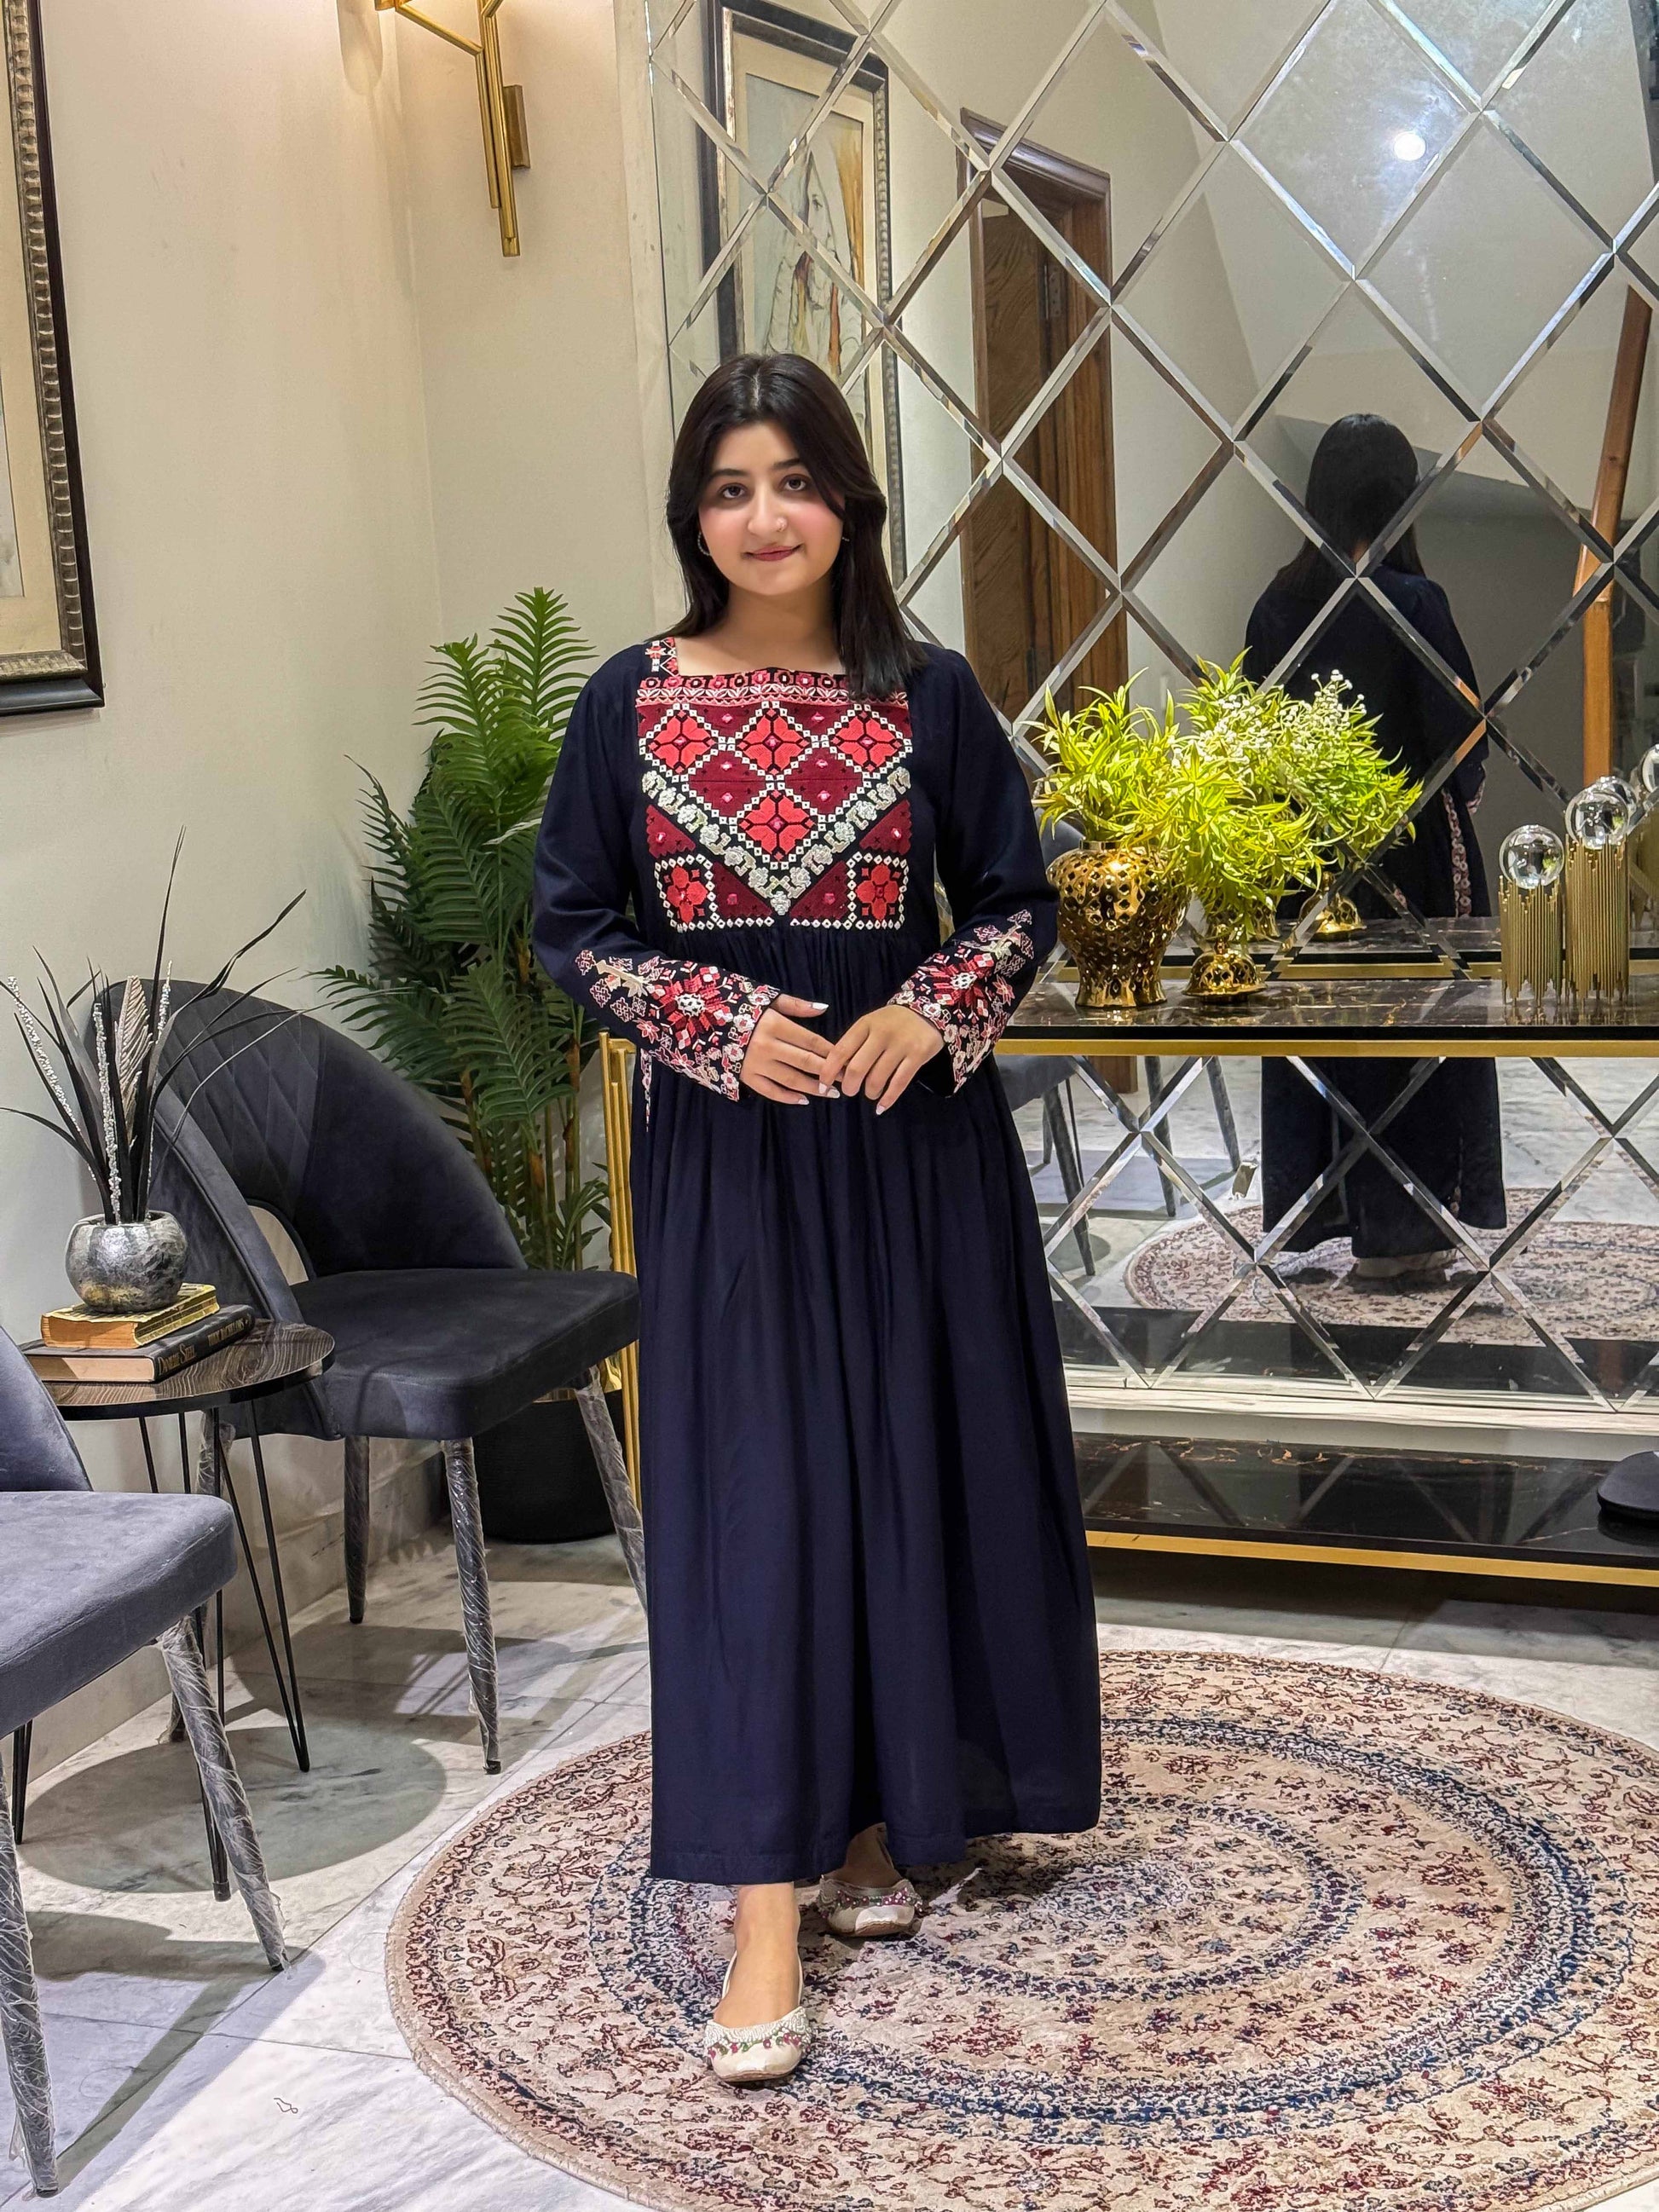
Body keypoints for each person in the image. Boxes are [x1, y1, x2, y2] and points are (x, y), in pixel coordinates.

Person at [531, 353, 1101, 2085]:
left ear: (848, 503)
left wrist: (933, 1004)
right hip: (733, 1157)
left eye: (792, 482)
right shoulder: (629, 702)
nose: (762, 517)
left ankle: (879, 1819)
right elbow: (572, 927)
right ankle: (762, 1909)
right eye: (728, 487)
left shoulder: (925, 693)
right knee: (758, 1501)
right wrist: (711, 1019)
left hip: (909, 1144)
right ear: (692, 515)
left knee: (903, 1468)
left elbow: (1015, 901)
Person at [1246, 413, 1504, 1279]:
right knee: (1413, 1037)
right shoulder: (1415, 602)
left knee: (1323, 1031)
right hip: (1414, 863)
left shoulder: (1276, 605)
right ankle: (1405, 1237)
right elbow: (1462, 742)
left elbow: (1256, 743)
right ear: (1403, 501)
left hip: (1304, 863)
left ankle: (1320, 1210)